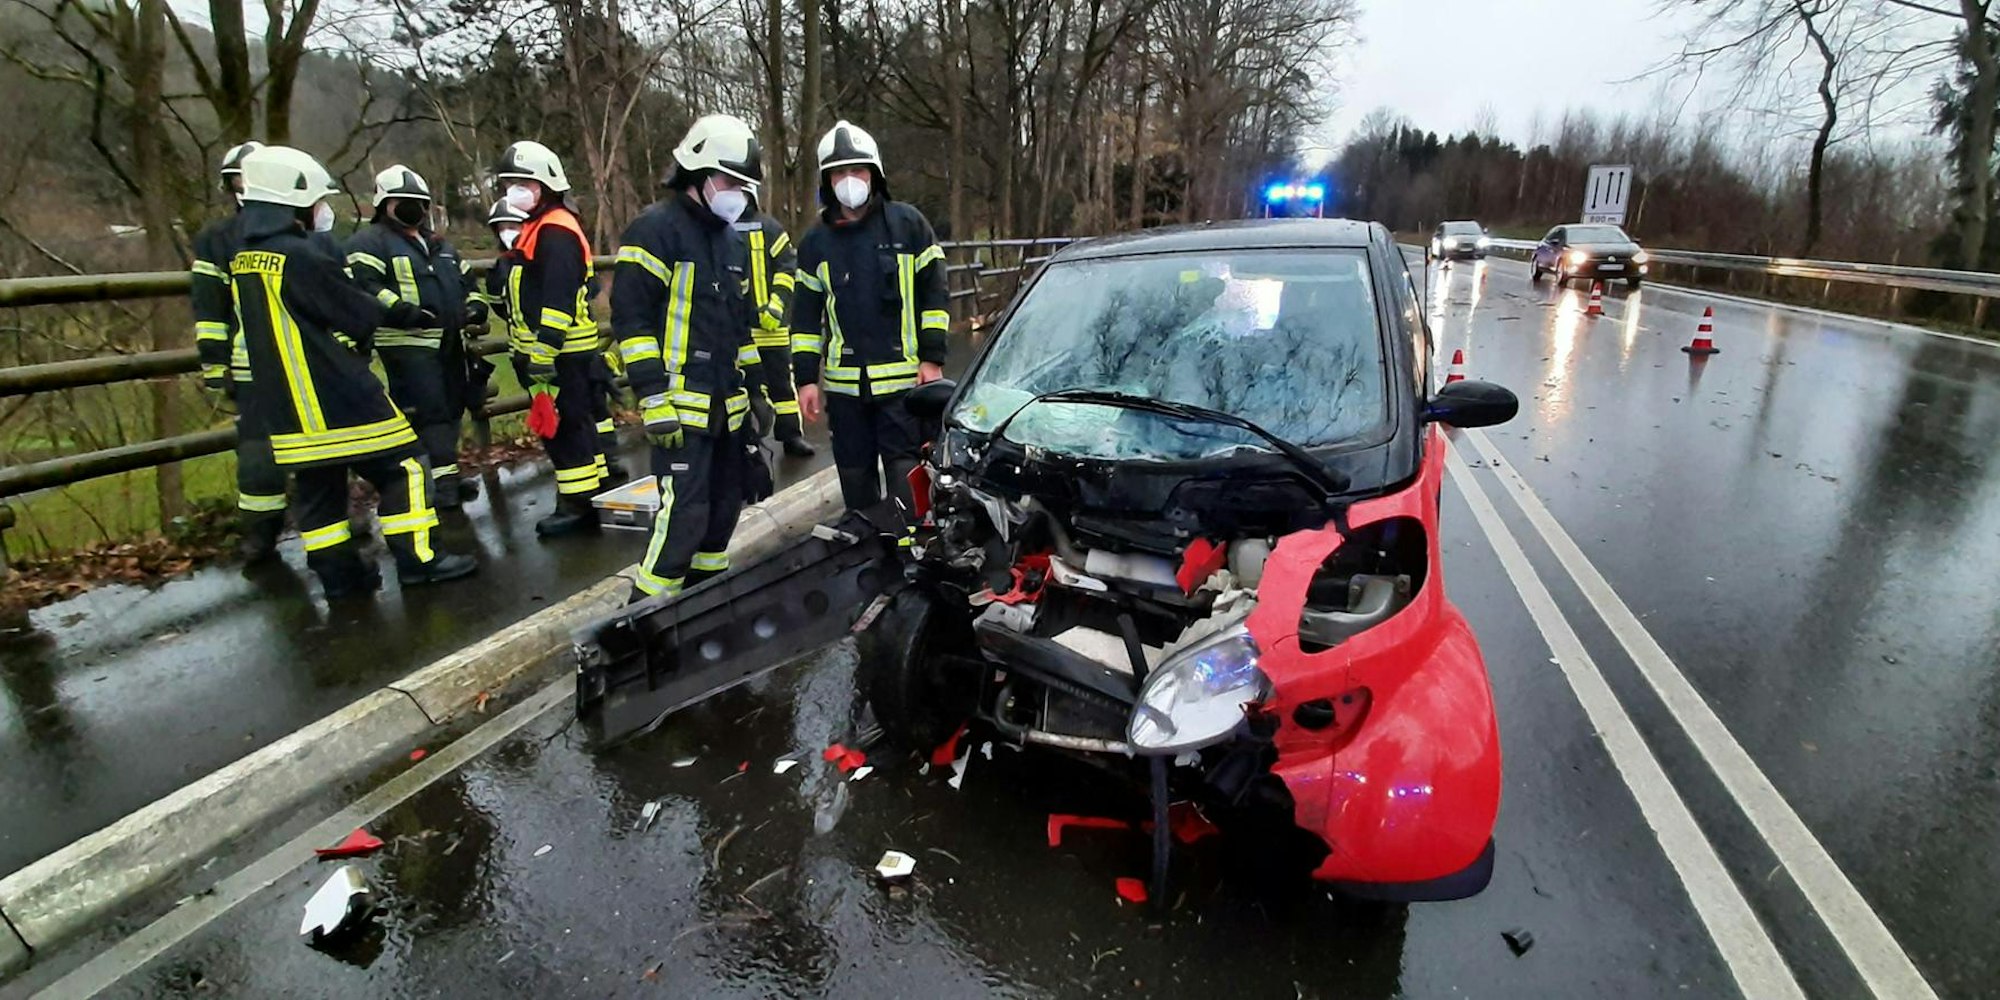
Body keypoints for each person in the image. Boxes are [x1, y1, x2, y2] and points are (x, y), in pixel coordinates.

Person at [227, 145, 476, 597]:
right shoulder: (300, 255)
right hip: (334, 392)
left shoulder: (246, 258)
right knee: (406, 466)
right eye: (316, 203)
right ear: (293, 201)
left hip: (285, 405)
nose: (322, 212)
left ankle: (340, 578)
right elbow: (357, 315)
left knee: (319, 488)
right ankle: (420, 559)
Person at [610, 114, 765, 602]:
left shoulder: (732, 240)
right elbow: (631, 322)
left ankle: (701, 608)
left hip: (726, 411)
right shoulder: (654, 232)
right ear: (698, 174)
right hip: (678, 409)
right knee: (683, 518)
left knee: (723, 514)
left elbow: (739, 328)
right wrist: (653, 397)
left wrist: (756, 396)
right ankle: (636, 627)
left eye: (743, 185)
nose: (737, 193)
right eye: (729, 181)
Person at [790, 120, 950, 512]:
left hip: (903, 387)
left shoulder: (908, 225)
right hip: (845, 393)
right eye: (840, 173)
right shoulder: (815, 243)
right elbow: (806, 318)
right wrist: (806, 379)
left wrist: (932, 359)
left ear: (874, 174)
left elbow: (935, 293)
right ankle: (869, 554)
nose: (850, 180)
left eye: (857, 171)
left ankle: (910, 553)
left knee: (906, 481)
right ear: (827, 181)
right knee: (855, 479)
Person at [343, 165, 481, 508]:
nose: (413, 209)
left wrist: (475, 308)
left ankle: (446, 479)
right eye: (403, 202)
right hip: (408, 347)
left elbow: (469, 285)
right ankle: (439, 489)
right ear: (384, 204)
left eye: (419, 202)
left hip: (449, 343)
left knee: (451, 408)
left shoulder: (439, 245)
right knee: (428, 413)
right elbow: (365, 287)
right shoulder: (369, 242)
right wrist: (403, 311)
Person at [493, 140, 608, 535]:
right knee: (570, 426)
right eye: (509, 183)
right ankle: (586, 496)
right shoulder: (539, 226)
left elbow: (557, 296)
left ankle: (577, 507)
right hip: (556, 351)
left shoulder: (555, 230)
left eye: (522, 182)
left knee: (563, 431)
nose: (514, 191)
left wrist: (545, 349)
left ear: (545, 184)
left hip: (559, 352)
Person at [192, 140, 290, 562]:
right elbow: (209, 304)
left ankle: (339, 525)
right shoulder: (218, 239)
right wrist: (215, 363)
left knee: (324, 449)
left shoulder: (295, 230)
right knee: (258, 456)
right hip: (253, 366)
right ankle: (261, 535)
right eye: (240, 177)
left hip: (306, 360)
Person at [738, 183, 815, 460]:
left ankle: (791, 435)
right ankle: (747, 441)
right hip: (736, 329)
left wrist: (777, 305)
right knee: (742, 388)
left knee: (781, 384)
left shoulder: (769, 228)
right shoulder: (715, 230)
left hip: (771, 327)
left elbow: (787, 267)